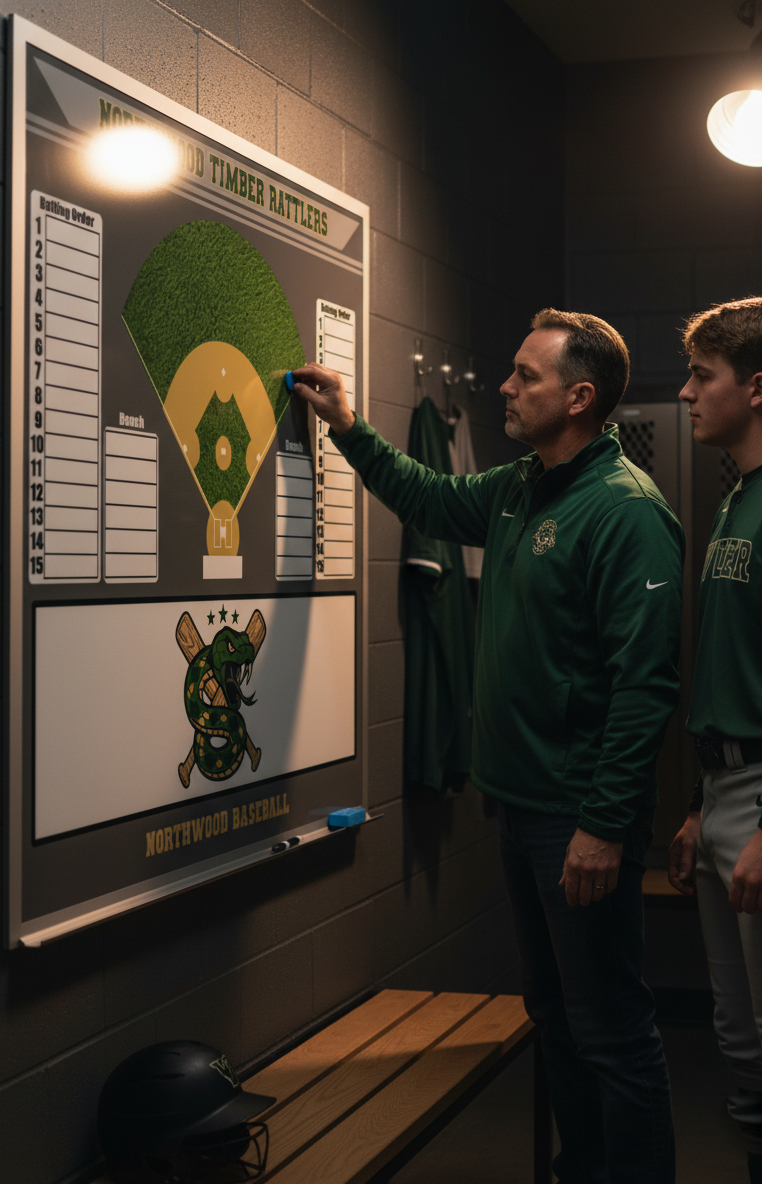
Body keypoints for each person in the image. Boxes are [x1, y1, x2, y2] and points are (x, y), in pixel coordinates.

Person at [293, 309, 684, 1184]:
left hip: (577, 819)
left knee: (613, 1032)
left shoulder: (625, 513)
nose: (505, 388)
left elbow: (646, 686)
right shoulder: (519, 486)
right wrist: (349, 429)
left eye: (524, 376)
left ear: (579, 397)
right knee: (555, 1013)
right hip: (519, 805)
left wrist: (605, 825)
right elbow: (430, 498)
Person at [667, 297, 762, 1184]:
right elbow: (734, 666)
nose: (685, 394)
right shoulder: (741, 496)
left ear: (755, 388)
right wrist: (696, 805)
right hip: (725, 794)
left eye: (701, 377)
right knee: (744, 1051)